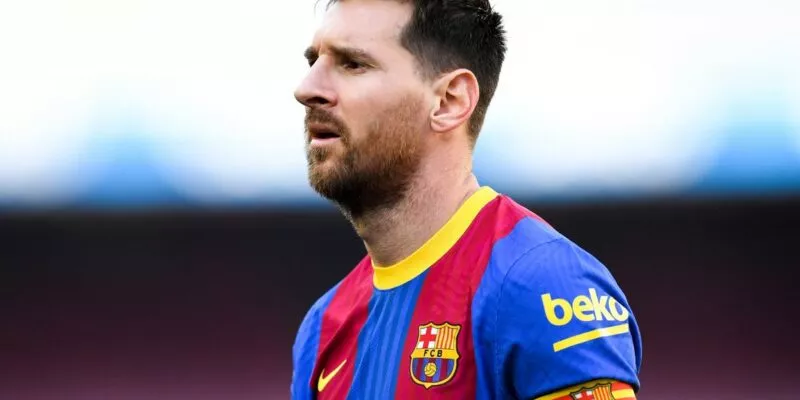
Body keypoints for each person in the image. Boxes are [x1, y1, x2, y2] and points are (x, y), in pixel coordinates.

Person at [290, 0, 642, 398]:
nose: (307, 89)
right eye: (313, 61)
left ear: (449, 101)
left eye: (353, 64)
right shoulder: (322, 328)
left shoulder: (544, 285)